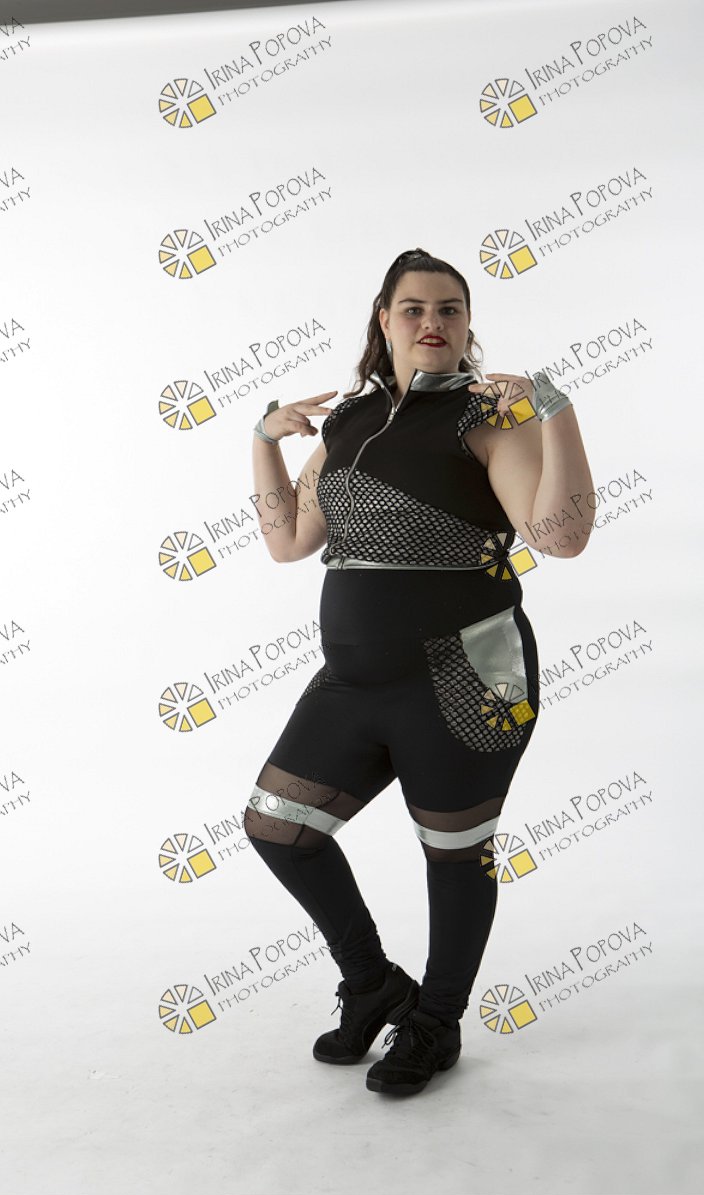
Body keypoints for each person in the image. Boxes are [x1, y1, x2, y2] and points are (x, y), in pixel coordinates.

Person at [245, 248, 594, 1097]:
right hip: (350, 684)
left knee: (455, 856)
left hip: (465, 677)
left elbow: (561, 536)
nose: (432, 322)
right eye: (414, 308)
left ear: (467, 325)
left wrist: (555, 408)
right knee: (277, 827)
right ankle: (372, 985)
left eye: (449, 309)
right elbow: (289, 541)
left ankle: (436, 1020)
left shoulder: (487, 416)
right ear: (385, 320)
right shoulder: (349, 422)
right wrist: (262, 440)